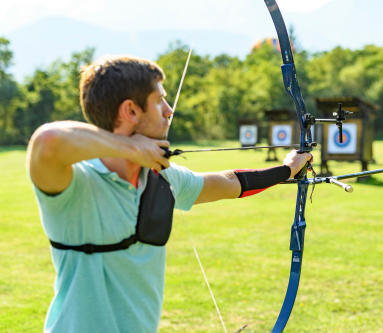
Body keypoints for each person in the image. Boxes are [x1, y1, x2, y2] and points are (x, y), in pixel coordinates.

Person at [27, 56, 312, 332]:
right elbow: (47, 140)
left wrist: (286, 169)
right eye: (159, 100)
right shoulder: (75, 184)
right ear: (131, 111)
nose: (169, 109)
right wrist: (132, 149)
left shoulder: (160, 177)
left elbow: (228, 183)